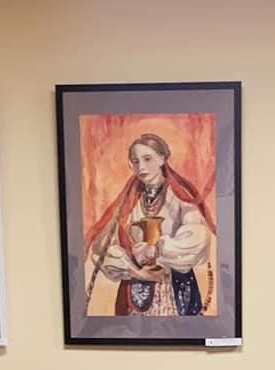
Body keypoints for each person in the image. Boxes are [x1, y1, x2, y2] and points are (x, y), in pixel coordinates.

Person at [86, 133, 214, 317]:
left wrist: (157, 251)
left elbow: (197, 238)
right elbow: (102, 247)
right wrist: (134, 271)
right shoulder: (128, 201)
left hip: (175, 287)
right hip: (135, 289)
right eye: (135, 161)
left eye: (147, 159)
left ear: (162, 159)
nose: (141, 167)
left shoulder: (180, 197)